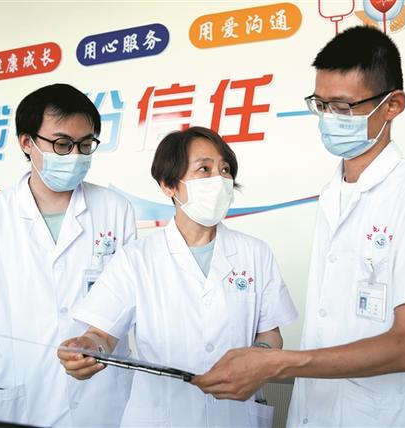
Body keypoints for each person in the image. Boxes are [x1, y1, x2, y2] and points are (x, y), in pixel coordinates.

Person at [192, 26, 405, 427]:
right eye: (320, 105)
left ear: (392, 105)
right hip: (312, 413)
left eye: (342, 107)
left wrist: (279, 363)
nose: (328, 119)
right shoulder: (331, 193)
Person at [57, 126, 298, 427]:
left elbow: (270, 334)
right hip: (162, 417)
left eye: (225, 170)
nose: (219, 179)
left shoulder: (255, 253)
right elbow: (102, 334)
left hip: (234, 415)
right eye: (204, 169)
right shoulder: (137, 259)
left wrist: (258, 357)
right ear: (169, 185)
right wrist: (87, 348)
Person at [0, 83, 136, 427]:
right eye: (62, 144)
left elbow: (129, 298)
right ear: (27, 143)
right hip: (27, 384)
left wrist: (98, 341)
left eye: (85, 144)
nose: (75, 155)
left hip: (101, 389)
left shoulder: (116, 209)